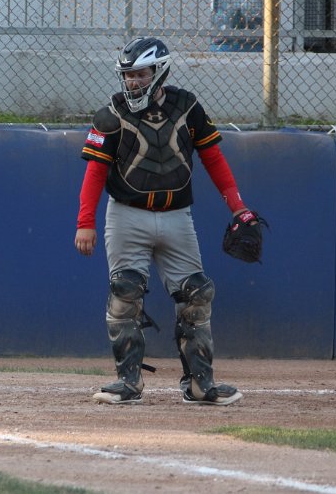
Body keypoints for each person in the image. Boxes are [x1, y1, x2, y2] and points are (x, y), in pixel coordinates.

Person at [74, 36, 259, 406]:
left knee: (197, 294)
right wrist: (85, 221)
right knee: (125, 291)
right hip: (127, 215)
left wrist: (238, 207)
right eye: (128, 75)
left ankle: (200, 385)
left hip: (177, 217)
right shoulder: (111, 114)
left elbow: (213, 159)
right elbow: (95, 172)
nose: (133, 81)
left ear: (160, 72)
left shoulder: (187, 107)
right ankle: (128, 383)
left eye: (140, 74)